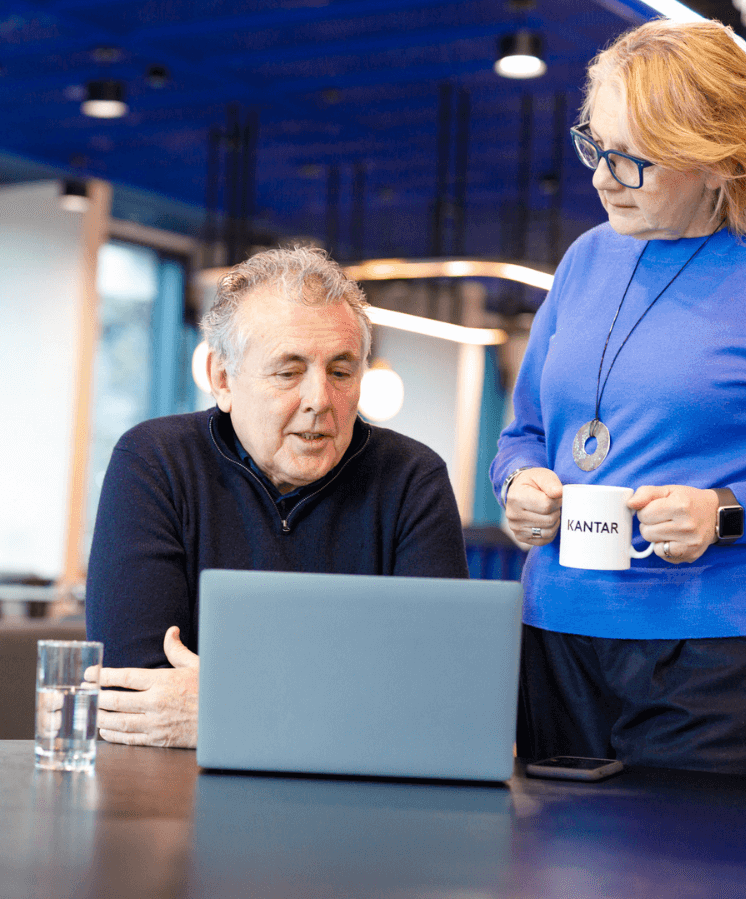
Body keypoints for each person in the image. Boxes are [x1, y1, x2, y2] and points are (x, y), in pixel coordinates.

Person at [490, 18, 746, 779]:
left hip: (728, 655)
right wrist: (519, 485)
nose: (601, 178)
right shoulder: (586, 260)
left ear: (719, 161)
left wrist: (725, 511)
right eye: (595, 145)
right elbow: (522, 434)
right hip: (557, 635)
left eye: (634, 161)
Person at [86, 246, 468, 748]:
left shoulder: (413, 479)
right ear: (223, 380)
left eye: (341, 371)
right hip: (177, 801)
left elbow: (440, 698)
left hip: (359, 804)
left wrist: (231, 708)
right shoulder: (154, 461)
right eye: (288, 372)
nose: (318, 400)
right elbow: (133, 690)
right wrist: (349, 703)